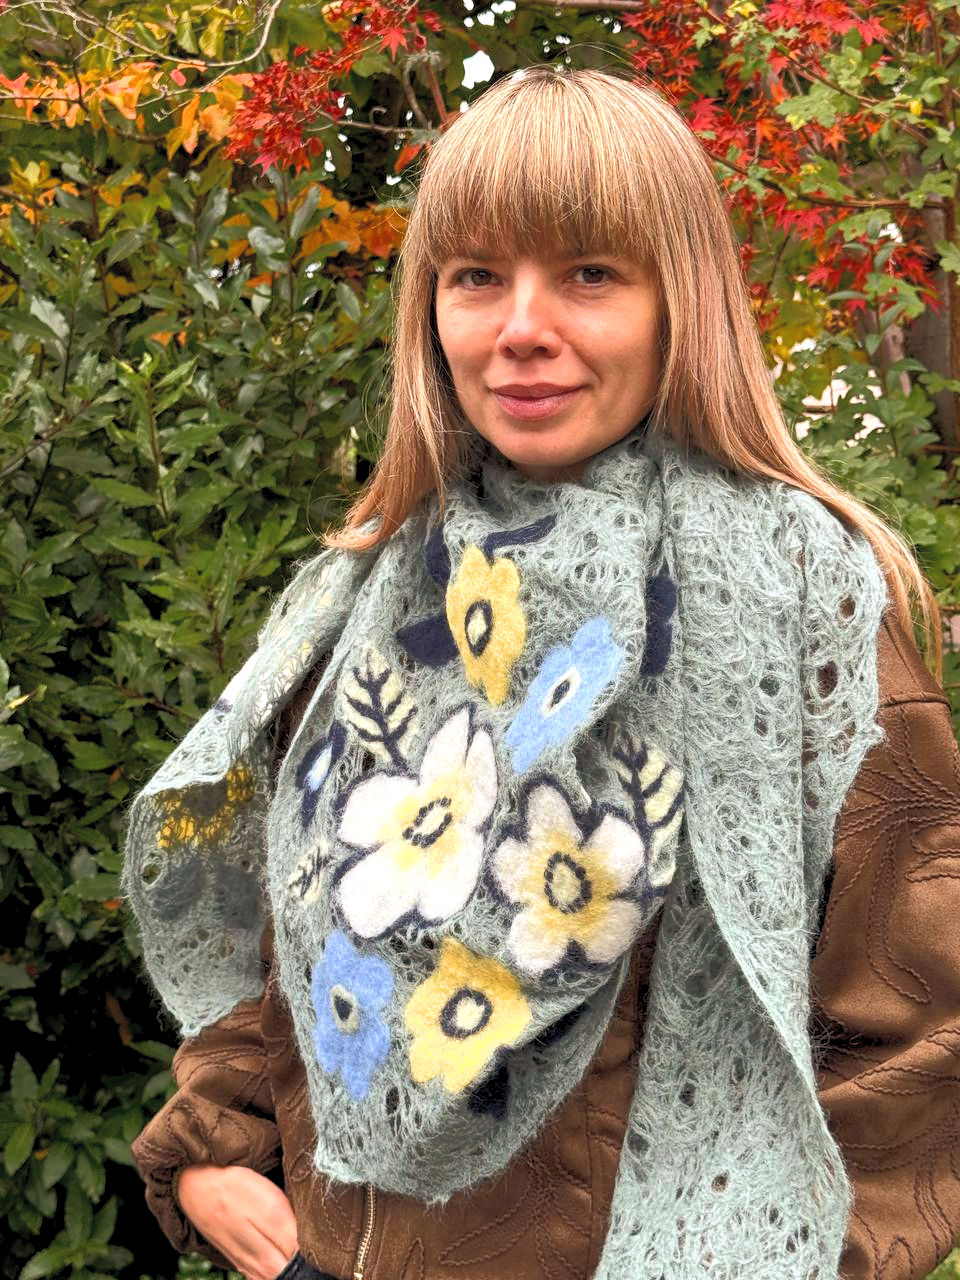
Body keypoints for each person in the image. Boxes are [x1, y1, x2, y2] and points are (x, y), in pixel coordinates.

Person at [123, 66, 960, 1280]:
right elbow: (297, 929)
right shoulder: (368, 591)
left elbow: (929, 1032)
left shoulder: (804, 602)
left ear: (681, 302)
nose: (521, 325)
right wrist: (215, 1142)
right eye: (476, 275)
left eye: (590, 273)